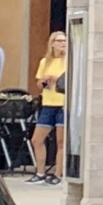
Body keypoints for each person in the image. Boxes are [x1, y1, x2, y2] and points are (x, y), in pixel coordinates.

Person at [32, 30, 67, 183]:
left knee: (61, 141)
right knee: (37, 139)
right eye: (59, 41)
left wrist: (58, 79)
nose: (63, 44)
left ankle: (58, 174)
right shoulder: (45, 62)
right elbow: (40, 85)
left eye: (64, 41)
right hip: (48, 103)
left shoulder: (69, 61)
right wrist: (47, 80)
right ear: (52, 44)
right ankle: (40, 172)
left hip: (63, 104)